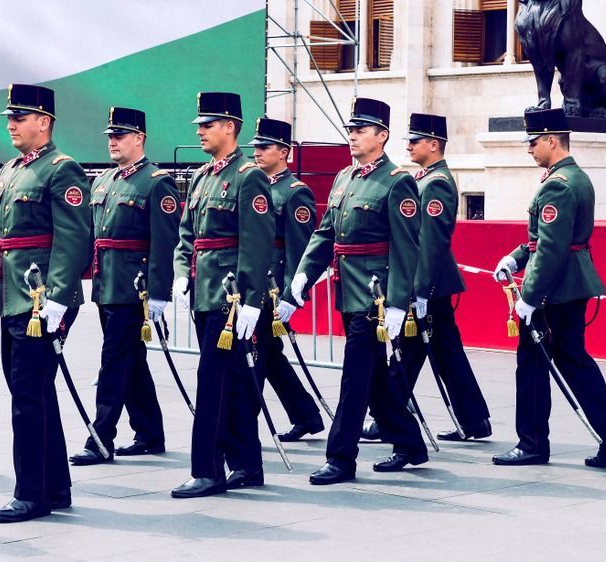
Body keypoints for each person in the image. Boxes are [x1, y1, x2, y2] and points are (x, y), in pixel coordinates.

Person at [290, 98, 426, 484]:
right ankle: (410, 443)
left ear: (382, 136)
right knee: (375, 377)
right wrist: (303, 275)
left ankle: (341, 457)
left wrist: (398, 302)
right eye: (350, 129)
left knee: (354, 376)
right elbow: (324, 233)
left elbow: (406, 247)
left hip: (375, 295)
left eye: (361, 130)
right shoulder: (344, 178)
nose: (352, 136)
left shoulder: (397, 181)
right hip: (346, 289)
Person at [491, 108, 606, 468]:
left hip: (555, 291)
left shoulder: (557, 184)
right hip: (570, 284)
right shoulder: (573, 178)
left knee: (533, 366)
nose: (529, 149)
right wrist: (515, 257)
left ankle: (532, 443)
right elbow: (545, 242)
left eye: (534, 142)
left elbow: (552, 249)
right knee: (575, 362)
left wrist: (530, 299)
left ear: (552, 140)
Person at [0, 84, 91, 522]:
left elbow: (73, 237)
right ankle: (55, 485)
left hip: (42, 298)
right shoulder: (10, 170)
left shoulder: (62, 170)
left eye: (20, 118)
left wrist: (60, 298)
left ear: (43, 122)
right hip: (14, 296)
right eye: (10, 117)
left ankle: (31, 493)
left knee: (28, 394)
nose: (11, 124)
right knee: (33, 391)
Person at [171, 92, 274, 497]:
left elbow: (257, 242)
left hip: (230, 296)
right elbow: (186, 234)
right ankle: (247, 464)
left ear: (230, 127)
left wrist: (250, 299)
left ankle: (208, 469)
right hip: (203, 291)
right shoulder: (201, 176)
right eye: (200, 124)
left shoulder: (249, 177)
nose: (199, 130)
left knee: (211, 381)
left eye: (207, 124)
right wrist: (182, 274)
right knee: (231, 380)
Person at [68, 107, 177, 467]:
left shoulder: (156, 181)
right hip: (106, 284)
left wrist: (160, 292)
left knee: (113, 362)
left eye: (120, 136)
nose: (113, 142)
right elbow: (89, 236)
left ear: (139, 138)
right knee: (131, 359)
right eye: (110, 136)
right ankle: (149, 432)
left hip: (135, 288)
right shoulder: (102, 181)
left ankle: (101, 437)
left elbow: (164, 242)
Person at [400, 112, 491, 441]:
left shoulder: (436, 183)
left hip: (430, 283)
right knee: (445, 352)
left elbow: (431, 241)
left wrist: (420, 289)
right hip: (430, 282)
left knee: (408, 350)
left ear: (434, 144)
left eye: (415, 140)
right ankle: (474, 419)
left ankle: (389, 414)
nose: (409, 145)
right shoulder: (425, 179)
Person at [248, 117, 326, 443]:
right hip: (253, 284)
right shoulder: (253, 185)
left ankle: (240, 425)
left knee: (255, 354)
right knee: (268, 354)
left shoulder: (294, 193)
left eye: (265, 147)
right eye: (255, 147)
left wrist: (293, 296)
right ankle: (306, 415)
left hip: (274, 288)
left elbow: (302, 249)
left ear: (284, 152)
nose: (258, 153)